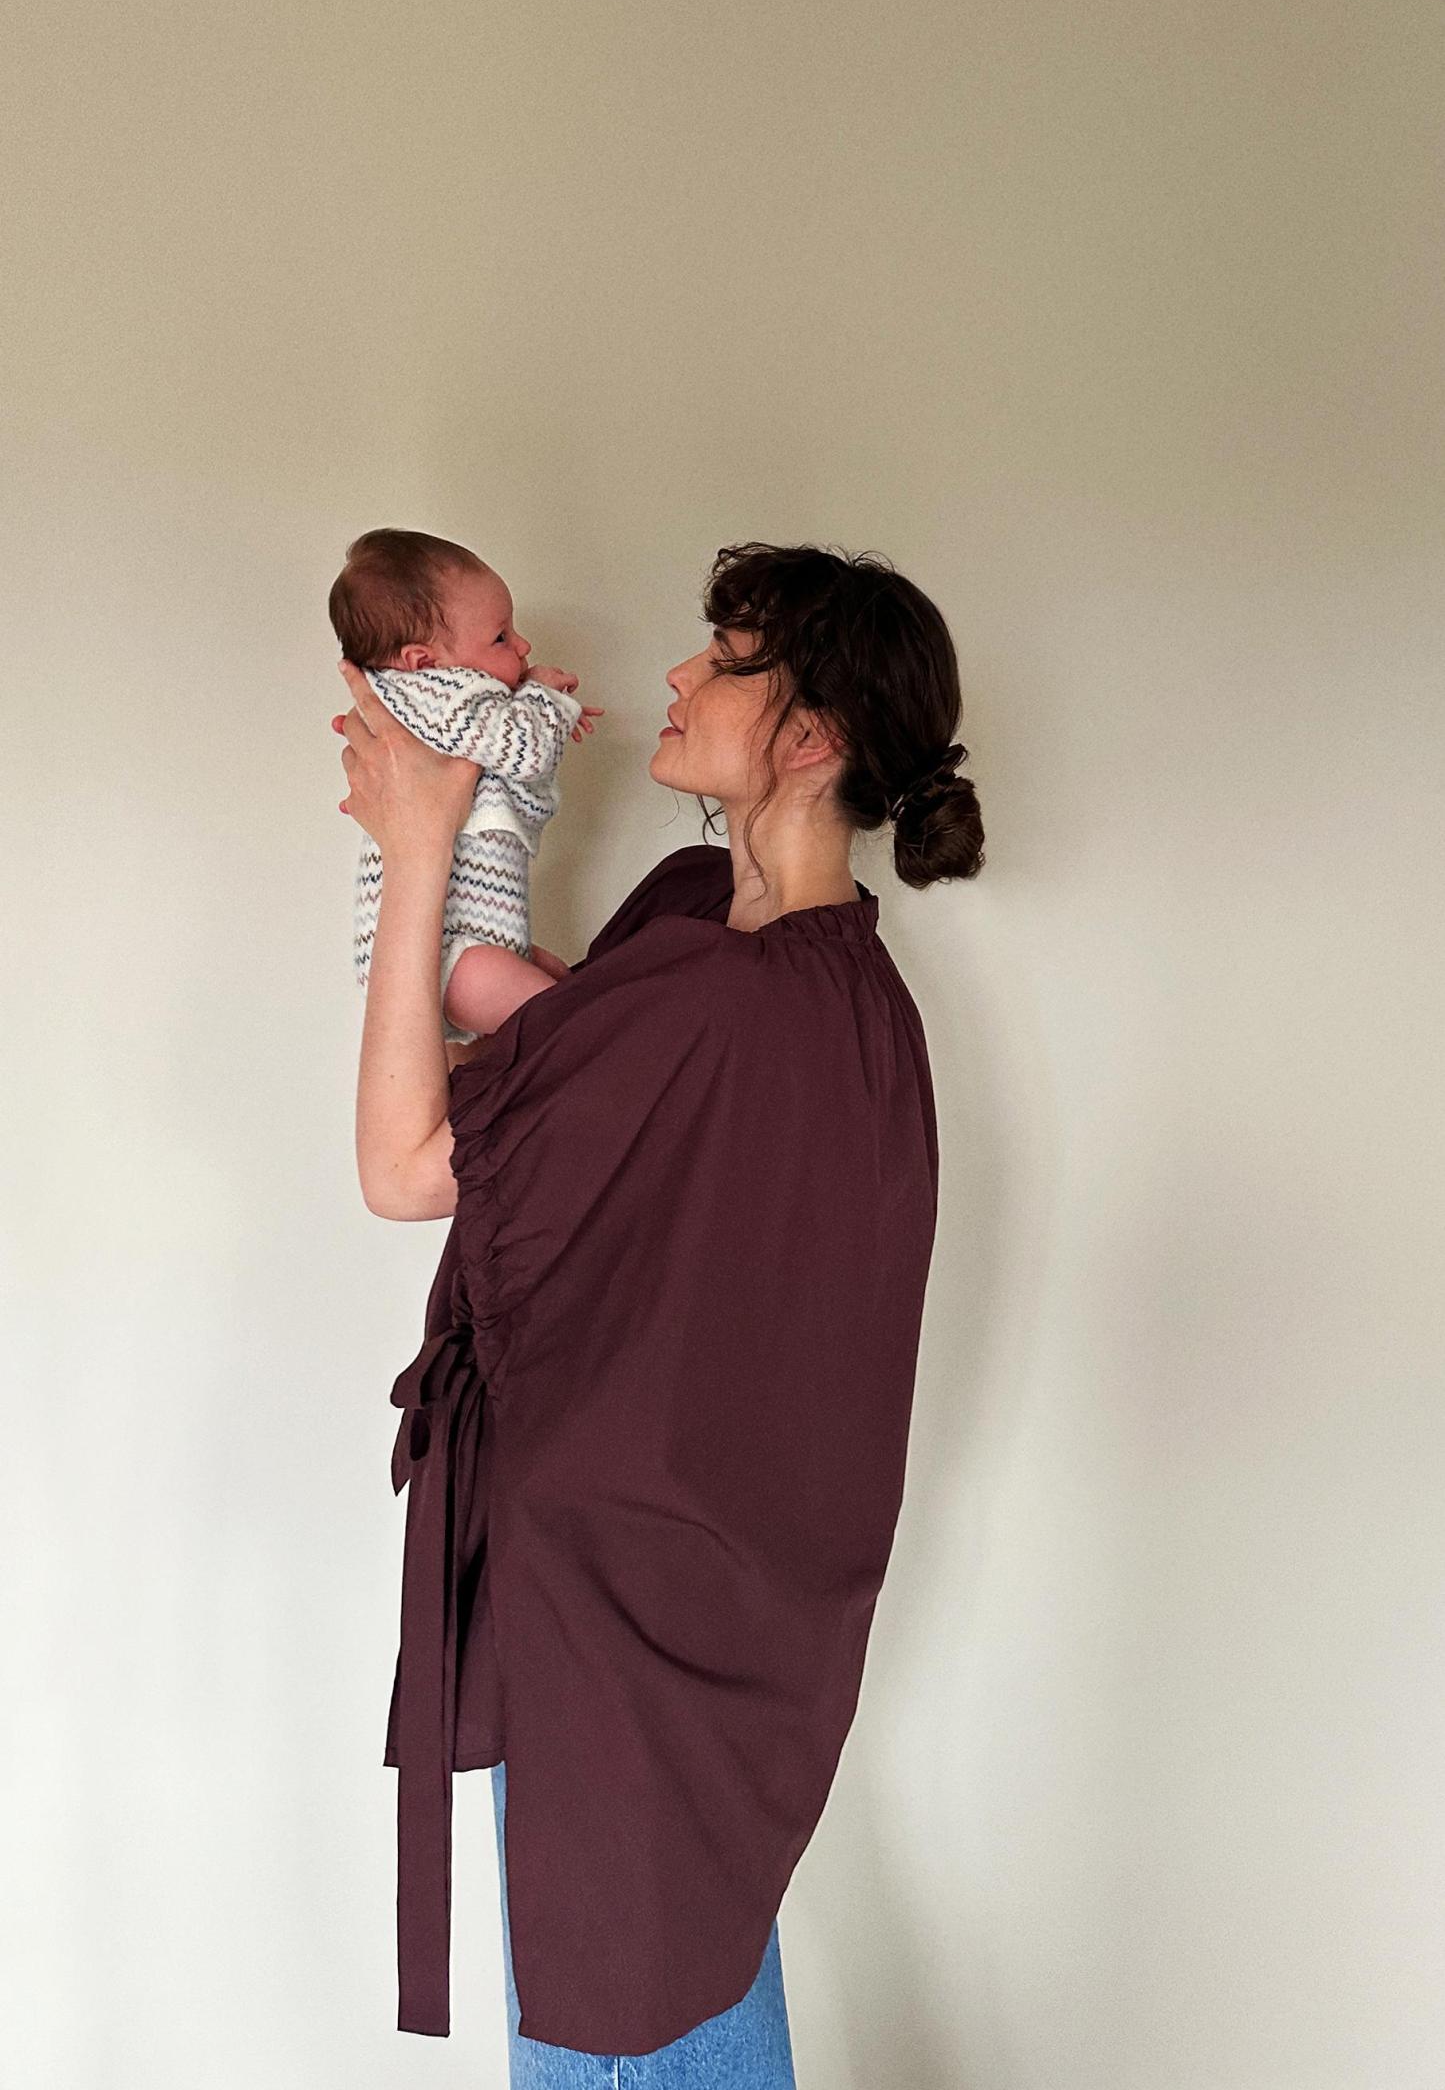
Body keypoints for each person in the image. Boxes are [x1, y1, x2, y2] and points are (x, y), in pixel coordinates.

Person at [331, 539, 985, 2084]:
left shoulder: (725, 999)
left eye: (729, 660)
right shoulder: (800, 974)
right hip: (689, 1621)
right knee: (681, 1987)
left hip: (620, 1627)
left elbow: (407, 1166)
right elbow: (545, 1080)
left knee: (623, 2020)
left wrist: (418, 849)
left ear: (810, 737)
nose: (680, 674)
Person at [328, 528, 605, 1045]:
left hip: (466, 946)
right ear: (423, 662)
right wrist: (544, 697)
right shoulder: (440, 695)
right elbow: (525, 750)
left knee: (572, 993)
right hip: (449, 955)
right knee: (577, 1030)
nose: (522, 646)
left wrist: (543, 706)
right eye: (501, 637)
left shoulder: (431, 700)